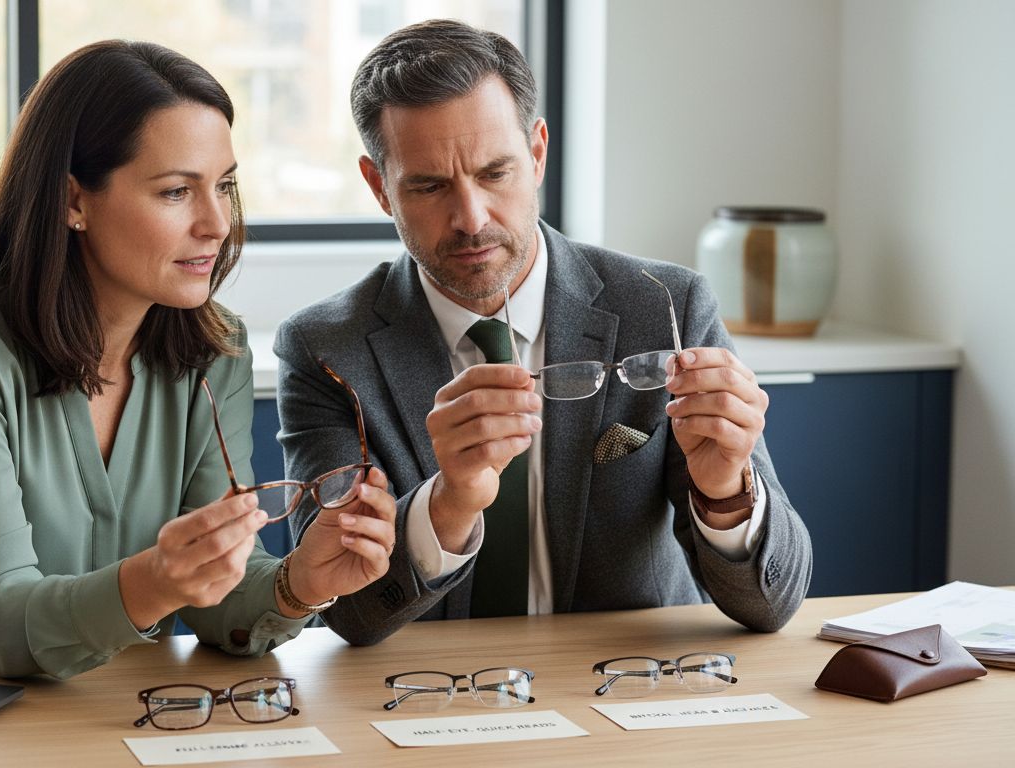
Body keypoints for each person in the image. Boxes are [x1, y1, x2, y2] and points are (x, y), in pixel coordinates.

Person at [274, 19, 811, 646]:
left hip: (629, 692)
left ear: (537, 154)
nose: (470, 218)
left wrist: (724, 492)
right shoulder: (323, 348)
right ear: (378, 187)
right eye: (429, 185)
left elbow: (772, 605)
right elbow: (349, 614)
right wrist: (449, 505)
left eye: (495, 173)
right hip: (425, 700)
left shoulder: (665, 307)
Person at [0, 40, 395, 679]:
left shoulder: (216, 354)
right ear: (73, 201)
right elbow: (1, 624)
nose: (217, 224)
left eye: (225, 187)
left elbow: (218, 602)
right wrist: (154, 581)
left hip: (119, 709)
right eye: (177, 191)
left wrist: (297, 585)